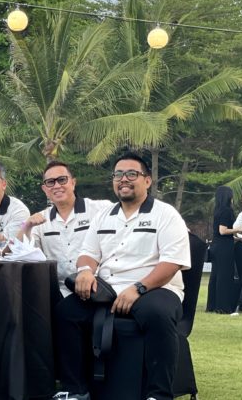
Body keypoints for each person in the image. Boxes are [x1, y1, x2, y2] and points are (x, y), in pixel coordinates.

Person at [52, 152, 190, 400]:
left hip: (155, 289)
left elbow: (172, 263)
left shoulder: (166, 214)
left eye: (131, 174)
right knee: (66, 311)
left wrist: (139, 288)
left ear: (147, 180)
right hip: (108, 289)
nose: (123, 179)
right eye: (118, 174)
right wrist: (85, 271)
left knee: (158, 314)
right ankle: (75, 390)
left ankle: (159, 394)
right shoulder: (104, 216)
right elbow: (88, 254)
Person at [22, 162, 112, 296]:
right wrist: (26, 226)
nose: (57, 186)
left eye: (62, 180)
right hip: (58, 291)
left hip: (97, 287)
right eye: (50, 182)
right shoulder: (40, 220)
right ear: (45, 189)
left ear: (73, 182)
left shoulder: (101, 209)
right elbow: (22, 251)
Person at [206, 186, 239, 313]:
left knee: (215, 275)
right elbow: (223, 231)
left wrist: (236, 238)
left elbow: (218, 232)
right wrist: (238, 229)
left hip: (216, 245)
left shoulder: (218, 210)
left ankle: (212, 305)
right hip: (224, 247)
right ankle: (223, 306)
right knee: (224, 275)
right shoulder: (227, 211)